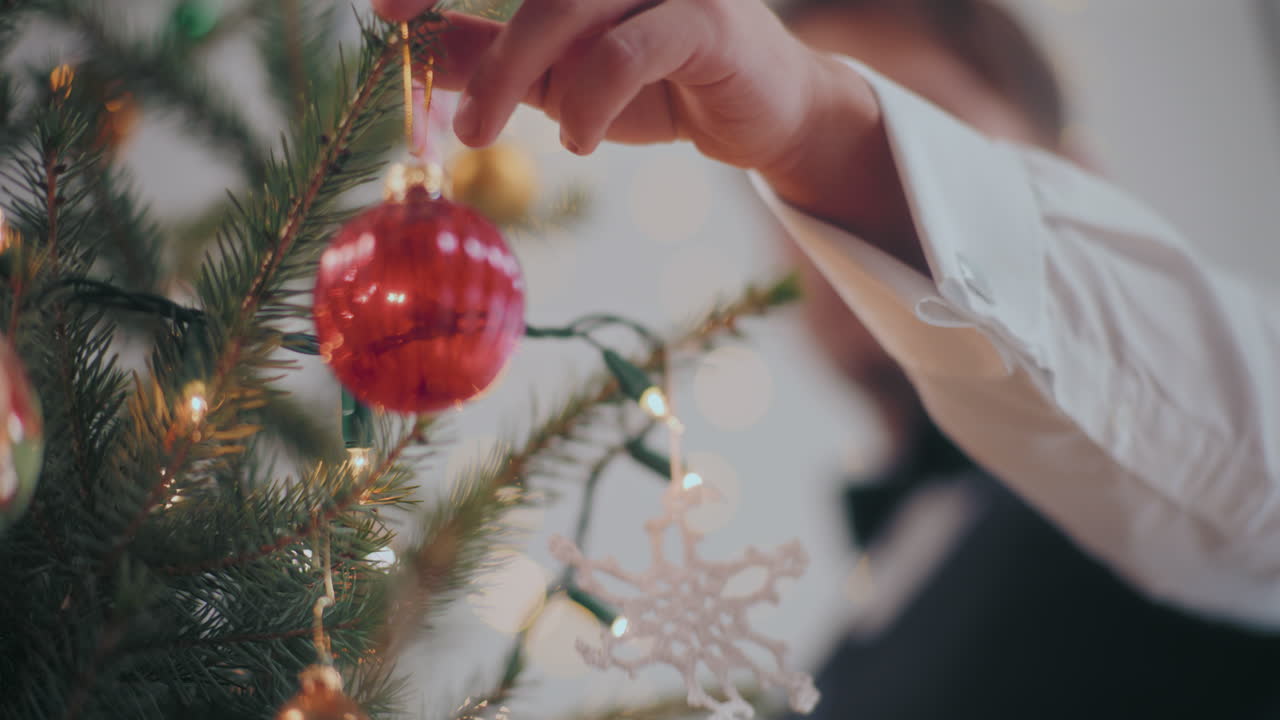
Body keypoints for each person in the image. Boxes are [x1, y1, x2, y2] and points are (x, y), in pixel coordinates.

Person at [372, 0, 1280, 714]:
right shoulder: (845, 642)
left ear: (1077, 179)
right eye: (780, 185)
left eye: (921, 121)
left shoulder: (1210, 488)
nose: (815, 207)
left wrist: (822, 127)